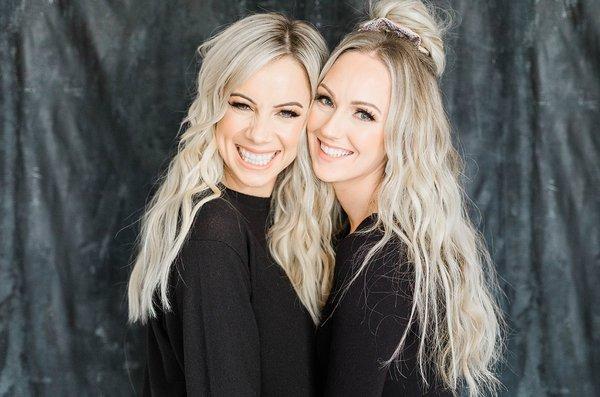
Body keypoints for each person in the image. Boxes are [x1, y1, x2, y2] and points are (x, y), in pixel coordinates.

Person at [126, 12, 333, 396]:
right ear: (214, 107)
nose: (258, 134)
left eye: (286, 112)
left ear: (311, 120)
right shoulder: (215, 236)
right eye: (242, 105)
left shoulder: (285, 223)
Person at [307, 1, 504, 396]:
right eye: (326, 100)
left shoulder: (376, 257)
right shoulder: (388, 240)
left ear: (404, 135)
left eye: (364, 114)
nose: (330, 127)